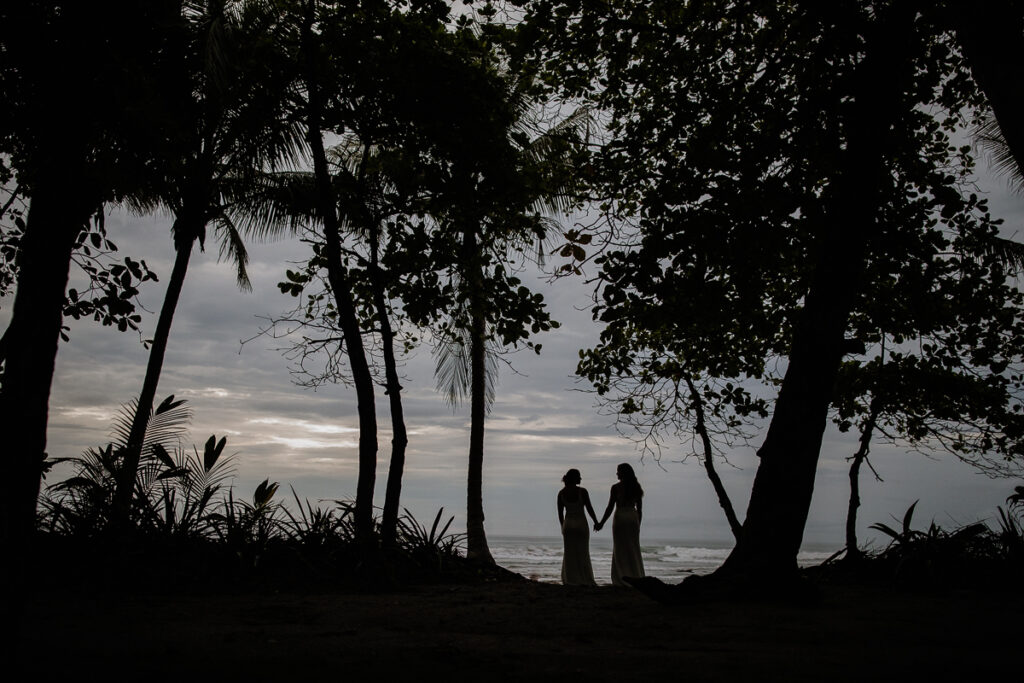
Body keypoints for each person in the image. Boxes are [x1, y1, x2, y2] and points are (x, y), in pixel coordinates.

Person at [594, 463, 645, 586]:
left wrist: (601, 523)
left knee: (620, 548)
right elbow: (640, 510)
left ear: (623, 473)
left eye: (618, 471)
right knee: (633, 547)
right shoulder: (636, 487)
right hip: (633, 518)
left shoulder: (616, 487)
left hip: (621, 518)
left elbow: (610, 507)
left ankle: (622, 576)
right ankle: (636, 574)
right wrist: (638, 525)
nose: (616, 473)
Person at [557, 468, 598, 586]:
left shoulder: (561, 493)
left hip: (568, 524)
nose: (580, 478)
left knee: (569, 553)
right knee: (583, 552)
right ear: (575, 478)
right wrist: (596, 521)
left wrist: (562, 527)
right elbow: (589, 509)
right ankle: (585, 578)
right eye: (579, 476)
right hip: (581, 524)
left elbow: (560, 514)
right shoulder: (582, 492)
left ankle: (570, 579)